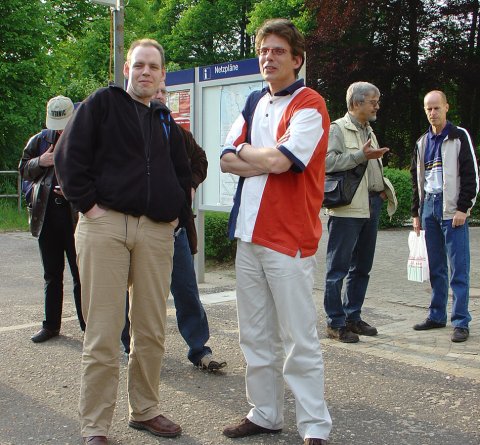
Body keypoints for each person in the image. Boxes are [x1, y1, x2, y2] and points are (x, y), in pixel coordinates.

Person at [54, 39, 192, 445]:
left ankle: (145, 409)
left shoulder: (164, 119)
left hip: (155, 231)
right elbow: (68, 157)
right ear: (127, 69)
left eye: (154, 66)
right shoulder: (102, 104)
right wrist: (89, 207)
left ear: (162, 74)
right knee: (103, 331)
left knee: (151, 329)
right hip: (105, 226)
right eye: (139, 65)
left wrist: (175, 214)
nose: (146, 72)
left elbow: (183, 171)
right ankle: (95, 426)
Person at [220, 18, 332, 445]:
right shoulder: (253, 101)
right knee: (254, 334)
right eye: (264, 50)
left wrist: (249, 151)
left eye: (278, 51)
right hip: (249, 234)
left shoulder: (310, 103)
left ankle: (315, 426)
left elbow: (283, 162)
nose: (269, 57)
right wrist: (263, 158)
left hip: (289, 237)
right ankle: (265, 413)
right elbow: (225, 160)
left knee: (298, 338)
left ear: (297, 59)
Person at [121, 81, 226, 371]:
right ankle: (130, 347)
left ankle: (199, 350)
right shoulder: (126, 127)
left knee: (187, 291)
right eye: (155, 90)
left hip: (174, 229)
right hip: (135, 228)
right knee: (133, 293)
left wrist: (190, 186)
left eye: (163, 91)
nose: (159, 95)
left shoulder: (177, 132)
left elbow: (200, 160)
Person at [323, 81, 397, 343]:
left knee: (362, 267)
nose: (377, 106)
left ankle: (352, 317)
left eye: (377, 101)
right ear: (356, 103)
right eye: (373, 102)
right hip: (347, 209)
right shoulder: (337, 128)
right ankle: (335, 322)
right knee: (337, 269)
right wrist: (360, 156)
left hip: (371, 205)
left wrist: (380, 188)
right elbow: (326, 163)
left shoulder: (368, 129)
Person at [411, 90, 478, 343]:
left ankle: (460, 321)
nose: (433, 113)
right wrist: (416, 213)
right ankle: (437, 315)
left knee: (458, 268)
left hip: (452, 211)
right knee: (436, 267)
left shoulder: (459, 136)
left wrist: (463, 208)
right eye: (428, 108)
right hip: (429, 208)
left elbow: (471, 176)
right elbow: (417, 180)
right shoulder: (422, 142)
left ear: (446, 107)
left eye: (437, 108)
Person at [19, 95, 85, 343]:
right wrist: (41, 161)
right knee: (51, 274)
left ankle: (88, 326)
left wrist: (75, 191)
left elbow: (96, 174)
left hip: (76, 215)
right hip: (46, 214)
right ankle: (51, 326)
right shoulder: (39, 140)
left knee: (81, 274)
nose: (59, 130)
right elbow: (23, 169)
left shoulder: (84, 139)